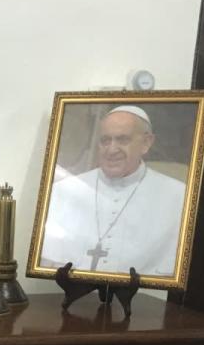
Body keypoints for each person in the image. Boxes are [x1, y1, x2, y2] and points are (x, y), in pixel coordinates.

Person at [40, 105, 186, 277]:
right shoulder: (64, 191)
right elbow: (48, 265)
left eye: (123, 140)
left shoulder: (179, 197)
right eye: (105, 140)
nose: (111, 149)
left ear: (146, 143)